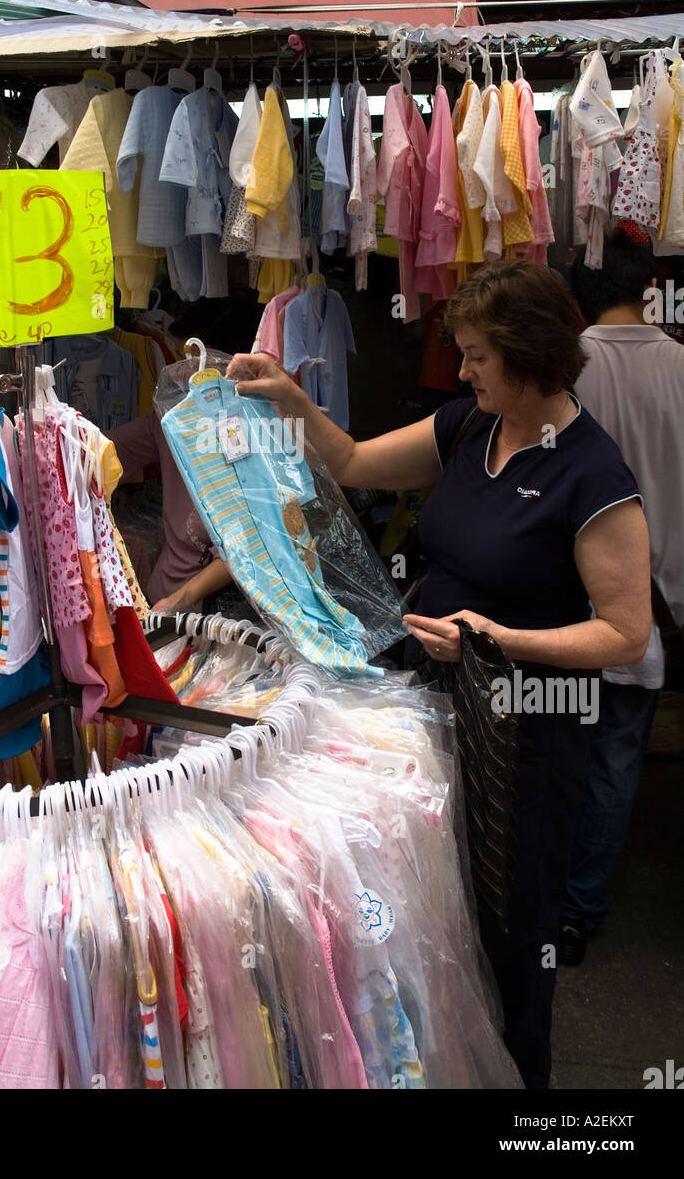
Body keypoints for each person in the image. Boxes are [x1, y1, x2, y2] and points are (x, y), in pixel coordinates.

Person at [226, 260, 651, 1090]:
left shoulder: (592, 477)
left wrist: (498, 638)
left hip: (527, 736)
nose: (458, 372)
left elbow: (625, 634)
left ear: (529, 356)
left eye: (476, 357)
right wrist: (289, 398)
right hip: (434, 713)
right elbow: (347, 460)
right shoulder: (465, 428)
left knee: (513, 931)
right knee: (441, 911)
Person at [559, 228, 684, 965]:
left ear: (578, 294)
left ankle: (545, 900)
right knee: (615, 759)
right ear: (649, 289)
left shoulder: (565, 368)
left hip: (568, 605)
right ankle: (579, 908)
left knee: (553, 754)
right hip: (661, 606)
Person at [106, 411, 234, 614]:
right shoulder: (168, 418)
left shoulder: (242, 422)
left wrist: (178, 601)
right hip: (166, 606)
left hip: (211, 617)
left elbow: (241, 550)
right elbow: (102, 452)